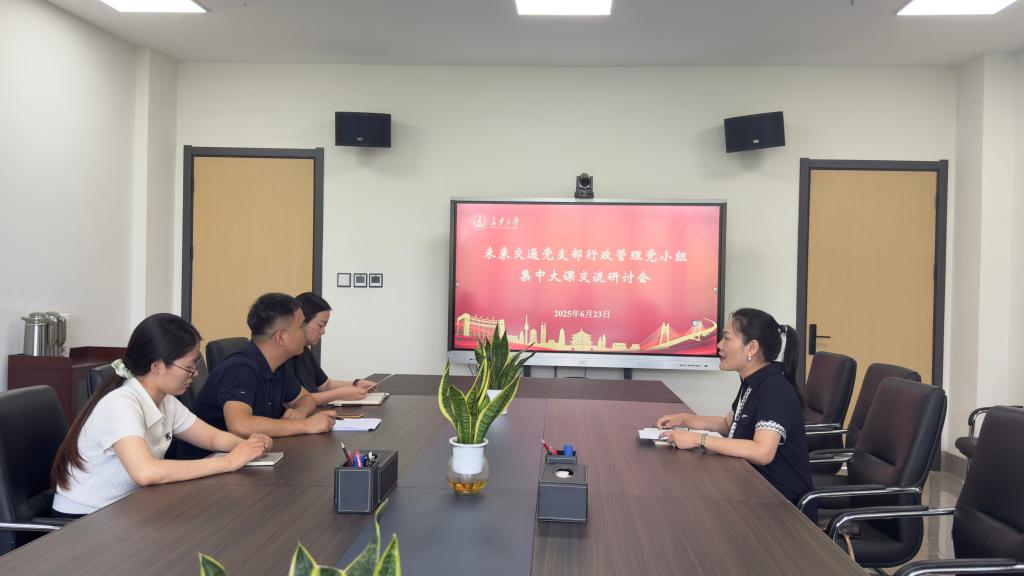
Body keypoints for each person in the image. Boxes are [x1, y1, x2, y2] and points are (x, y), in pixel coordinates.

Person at [50, 313, 272, 517]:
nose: (195, 373)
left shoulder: (165, 401)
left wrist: (247, 445)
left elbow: (212, 438)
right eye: (188, 366)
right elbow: (146, 472)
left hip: (128, 508)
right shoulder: (121, 404)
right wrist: (229, 462)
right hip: (85, 521)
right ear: (157, 367)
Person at [656, 308, 816, 520]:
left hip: (780, 507)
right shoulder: (753, 381)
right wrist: (685, 419)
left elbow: (762, 452)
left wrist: (698, 440)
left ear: (752, 348)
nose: (719, 345)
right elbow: (727, 423)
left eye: (727, 338)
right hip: (750, 489)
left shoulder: (774, 388)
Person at [190, 293, 336, 445]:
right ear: (281, 337)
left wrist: (299, 412)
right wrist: (305, 425)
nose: (304, 332)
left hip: (251, 451)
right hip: (210, 456)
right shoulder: (239, 369)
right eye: (301, 327)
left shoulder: (278, 365)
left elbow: (306, 398)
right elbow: (241, 426)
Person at [287, 292, 378, 404]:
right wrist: (339, 394)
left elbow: (325, 385)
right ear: (301, 322)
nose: (323, 332)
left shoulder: (305, 351)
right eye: (320, 325)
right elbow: (296, 400)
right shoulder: (284, 356)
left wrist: (355, 384)